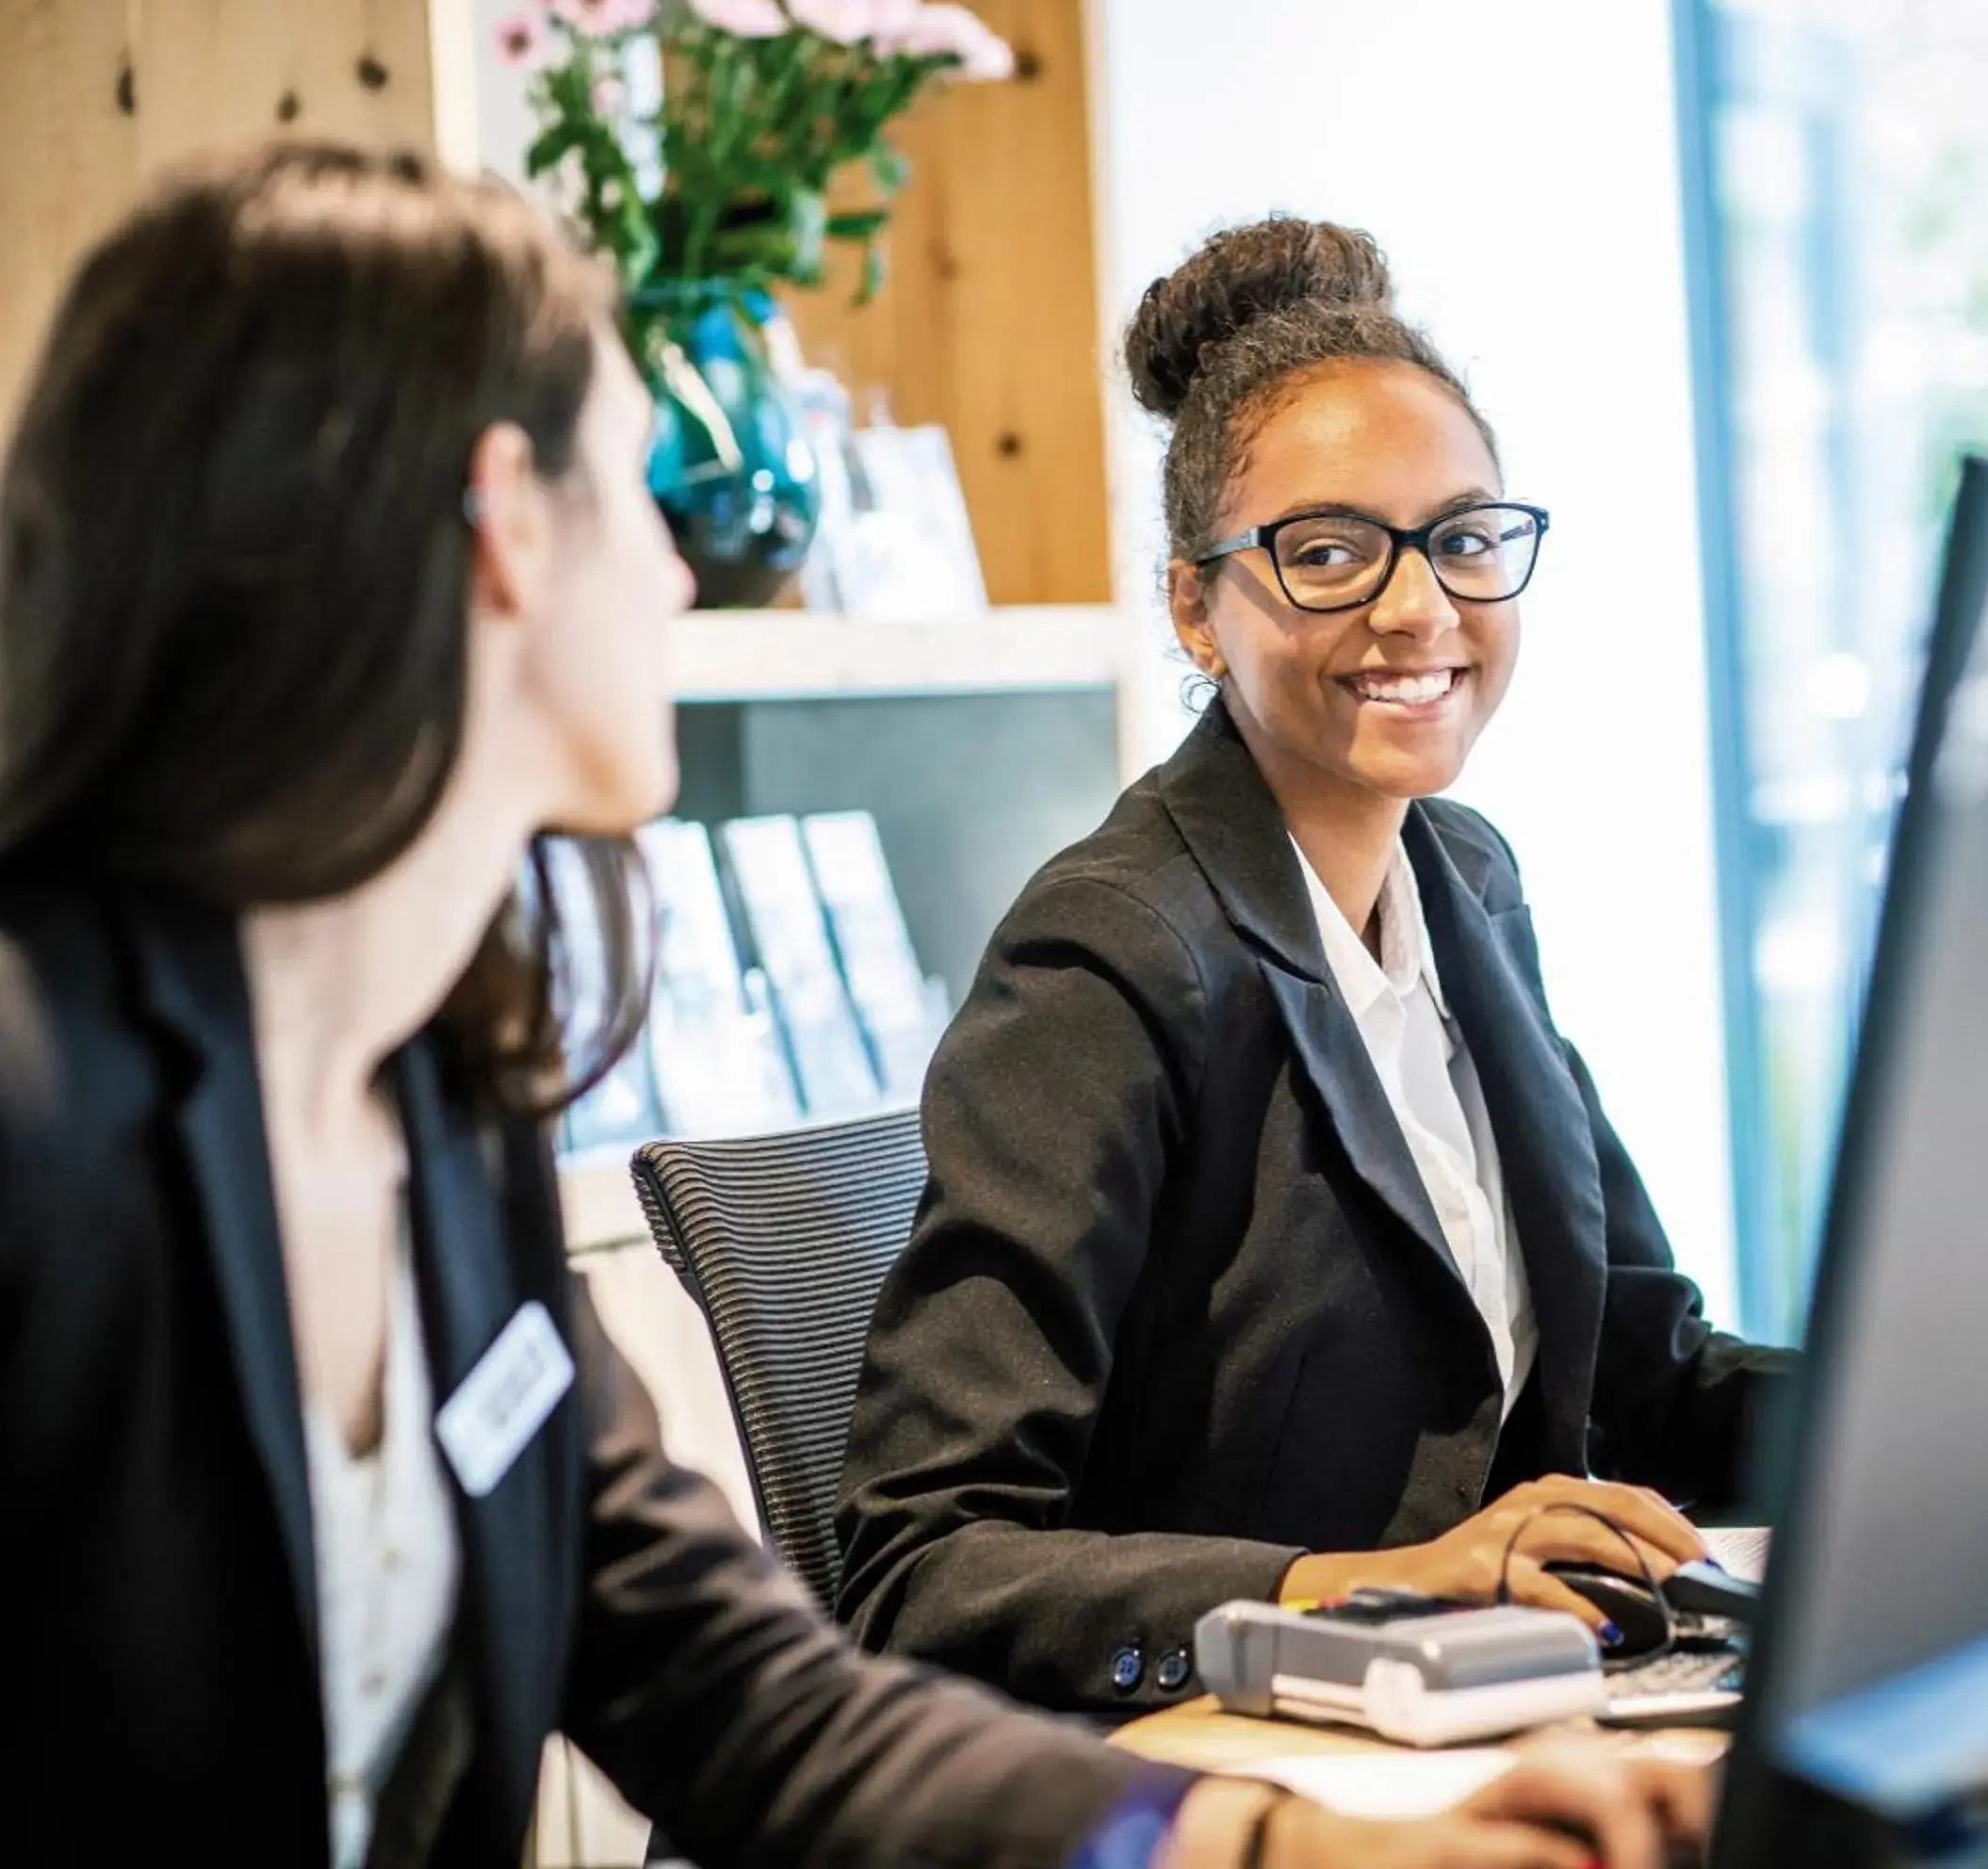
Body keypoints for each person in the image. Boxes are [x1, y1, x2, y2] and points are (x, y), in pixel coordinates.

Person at [0, 140, 1710, 1869]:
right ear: (507, 524)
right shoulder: (41, 1117)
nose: (680, 578)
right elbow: (919, 1574)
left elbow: (746, 1700)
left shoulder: (434, 1109)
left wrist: (1276, 1848)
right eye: (637, 494)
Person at [837, 218, 1793, 1715]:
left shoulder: (1465, 882)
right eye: (1328, 554)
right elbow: (923, 1568)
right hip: (1205, 1759)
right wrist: (1366, 1591)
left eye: (1463, 540)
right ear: (1194, 609)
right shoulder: (1110, 954)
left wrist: (1968, 1418)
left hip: (1481, 1719)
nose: (1419, 609)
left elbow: (1644, 1385)